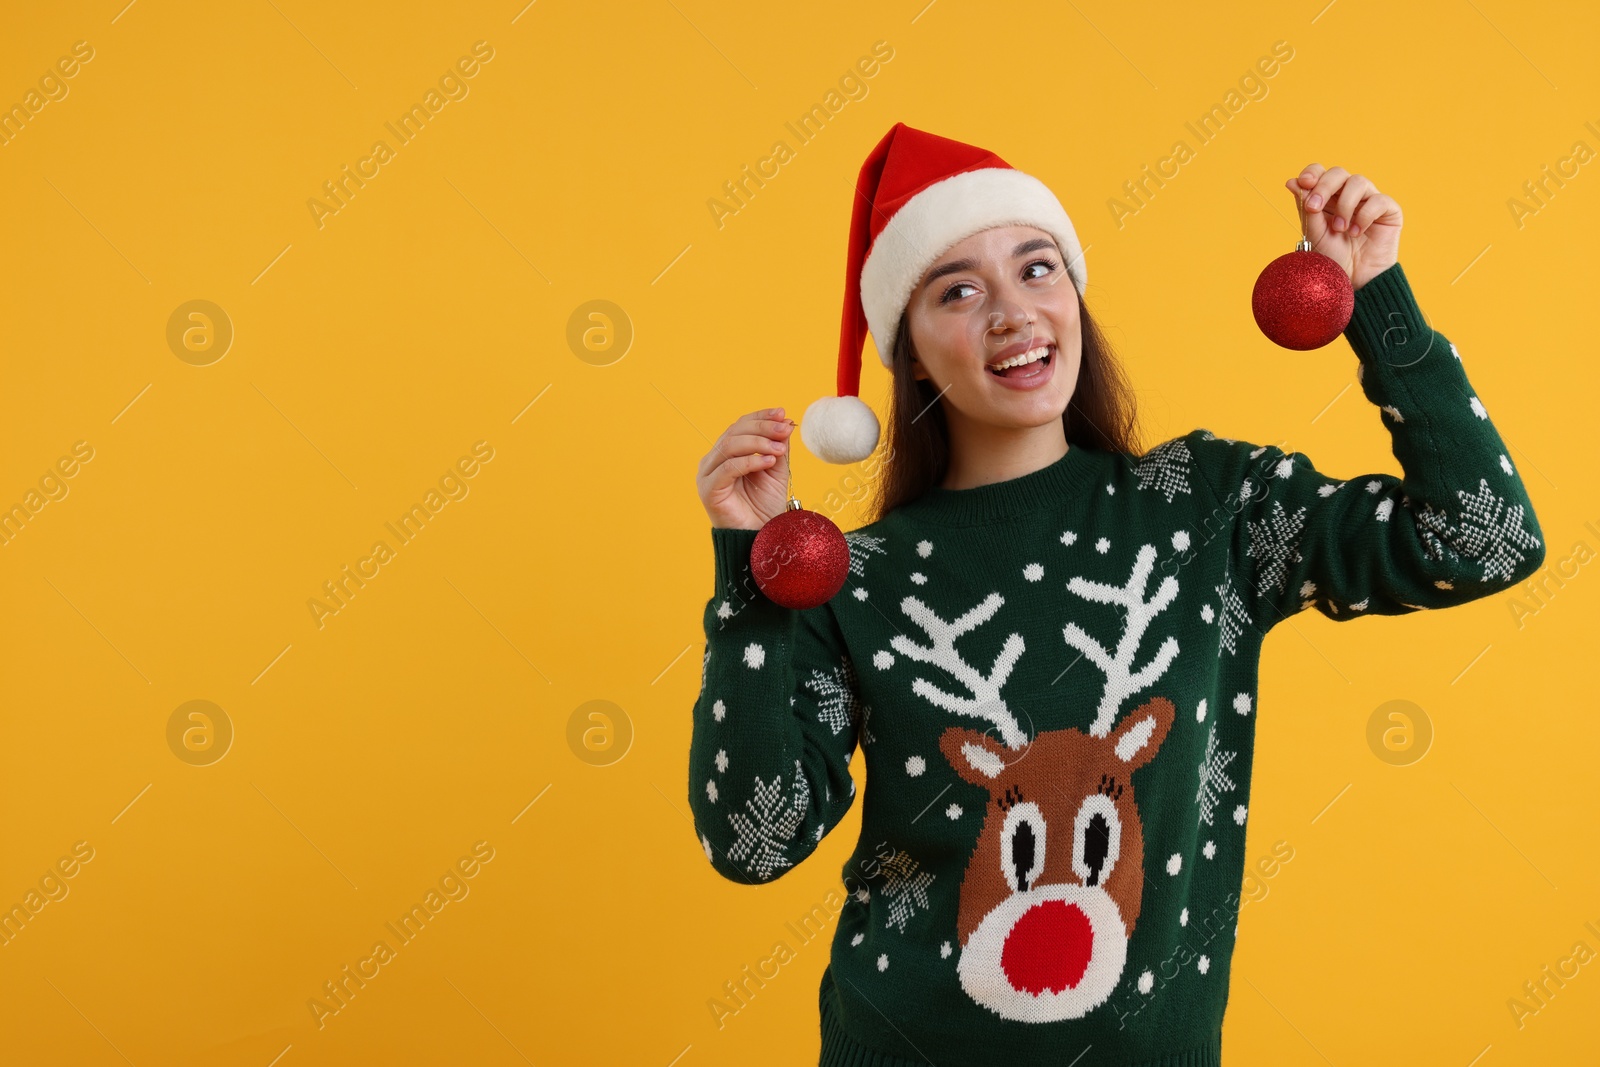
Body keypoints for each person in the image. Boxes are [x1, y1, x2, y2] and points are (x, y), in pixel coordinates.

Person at [688, 122, 1544, 1065]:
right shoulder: (855, 579)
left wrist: (1378, 298)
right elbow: (755, 840)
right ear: (914, 355)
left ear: (1075, 301)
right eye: (959, 291)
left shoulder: (1210, 509)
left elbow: (1485, 539)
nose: (1012, 311)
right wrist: (752, 578)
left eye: (1038, 269)